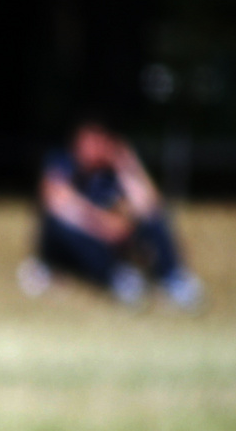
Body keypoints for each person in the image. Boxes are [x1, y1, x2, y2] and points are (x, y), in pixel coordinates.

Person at [17, 121, 204, 308]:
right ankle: (115, 277)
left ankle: (172, 278)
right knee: (59, 225)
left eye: (101, 141)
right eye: (90, 140)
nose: (95, 148)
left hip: (112, 239)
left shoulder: (112, 171)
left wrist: (128, 165)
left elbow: (150, 205)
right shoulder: (61, 161)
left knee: (153, 220)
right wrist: (103, 224)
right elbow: (57, 202)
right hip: (75, 243)